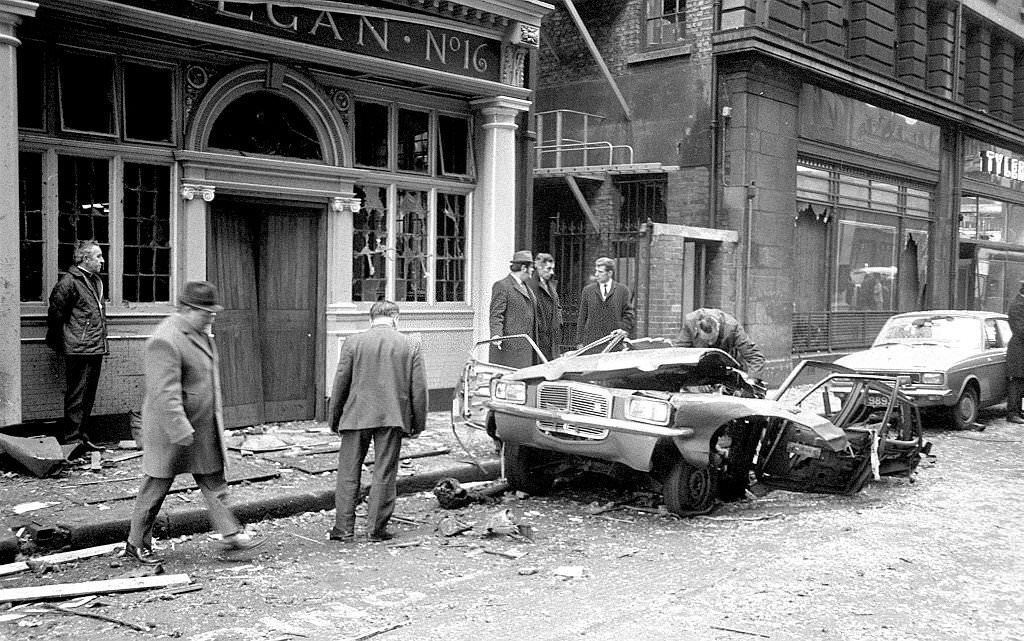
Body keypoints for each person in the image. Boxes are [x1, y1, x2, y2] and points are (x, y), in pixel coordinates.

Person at [124, 281, 265, 565]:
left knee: (214, 482)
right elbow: (164, 393)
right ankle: (136, 543)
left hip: (201, 427)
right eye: (206, 312)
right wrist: (180, 429)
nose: (211, 317)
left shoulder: (199, 334)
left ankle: (230, 534)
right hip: (171, 430)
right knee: (156, 487)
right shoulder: (165, 339)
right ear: (187, 309)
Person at [328, 300, 428, 542]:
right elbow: (419, 388)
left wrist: (335, 418)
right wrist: (418, 423)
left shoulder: (353, 342)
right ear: (395, 318)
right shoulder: (410, 344)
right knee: (384, 471)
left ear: (371, 319)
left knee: (348, 471)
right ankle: (376, 529)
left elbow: (340, 382)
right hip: (393, 416)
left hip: (356, 415)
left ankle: (343, 529)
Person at [46, 240, 108, 449]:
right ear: (85, 259)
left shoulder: (93, 281)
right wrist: (66, 343)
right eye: (98, 256)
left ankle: (81, 437)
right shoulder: (69, 282)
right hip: (79, 348)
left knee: (87, 395)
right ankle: (72, 440)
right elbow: (55, 315)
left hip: (93, 346)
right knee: (77, 395)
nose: (102, 260)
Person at [675, 307, 766, 375]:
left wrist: (752, 381)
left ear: (718, 327)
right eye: (706, 340)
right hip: (699, 369)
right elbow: (679, 355)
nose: (710, 343)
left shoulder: (732, 327)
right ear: (696, 329)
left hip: (726, 369)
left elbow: (755, 357)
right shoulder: (690, 322)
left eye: (712, 338)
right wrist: (690, 382)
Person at [488, 250, 538, 368]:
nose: (533, 271)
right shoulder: (502, 285)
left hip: (526, 347)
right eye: (531, 267)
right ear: (524, 268)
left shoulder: (526, 287)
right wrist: (496, 335)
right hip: (510, 349)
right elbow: (496, 314)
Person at [576, 256, 634, 347]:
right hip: (592, 342)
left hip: (613, 341)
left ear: (610, 273)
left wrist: (623, 330)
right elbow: (582, 316)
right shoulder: (588, 290)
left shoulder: (623, 290)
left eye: (600, 272)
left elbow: (628, 314)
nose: (596, 274)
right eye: (596, 271)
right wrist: (579, 341)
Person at [527, 252, 563, 361]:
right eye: (548, 269)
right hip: (539, 336)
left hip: (552, 335)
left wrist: (559, 321)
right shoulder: (529, 285)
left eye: (552, 269)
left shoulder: (550, 284)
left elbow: (557, 305)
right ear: (539, 267)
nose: (551, 272)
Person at [1006, 280, 1024, 424]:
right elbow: (1020, 330)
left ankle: (1019, 411)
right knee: (1016, 383)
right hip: (1019, 351)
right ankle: (1013, 413)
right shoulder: (1017, 306)